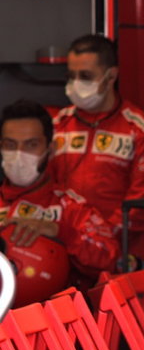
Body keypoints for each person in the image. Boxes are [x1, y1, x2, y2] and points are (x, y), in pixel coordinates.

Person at [51, 33, 144, 265]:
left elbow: (143, 206)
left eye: (85, 76)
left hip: (122, 255)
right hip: (64, 251)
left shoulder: (143, 130)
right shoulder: (56, 126)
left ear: (111, 75)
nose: (75, 84)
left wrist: (97, 240)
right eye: (71, 76)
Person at [1, 99, 121, 304]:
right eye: (10, 144)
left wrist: (63, 234)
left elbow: (113, 260)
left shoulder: (72, 207)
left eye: (31, 144)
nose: (19, 154)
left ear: (51, 149)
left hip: (54, 326)